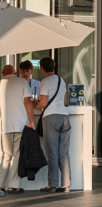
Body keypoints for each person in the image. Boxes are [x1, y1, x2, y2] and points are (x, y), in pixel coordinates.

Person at [0, 65, 35, 193]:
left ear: (3, 73)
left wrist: (4, 103)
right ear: (15, 72)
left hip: (5, 126)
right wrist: (32, 120)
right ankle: (13, 186)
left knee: (6, 155)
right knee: (18, 155)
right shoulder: (23, 82)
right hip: (21, 125)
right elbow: (28, 102)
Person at [34, 57, 70, 193]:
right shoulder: (62, 80)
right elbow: (64, 100)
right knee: (64, 152)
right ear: (53, 67)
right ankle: (66, 184)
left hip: (51, 117)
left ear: (42, 68)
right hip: (65, 117)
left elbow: (43, 103)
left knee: (52, 152)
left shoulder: (45, 81)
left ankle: (52, 184)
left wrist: (32, 103)